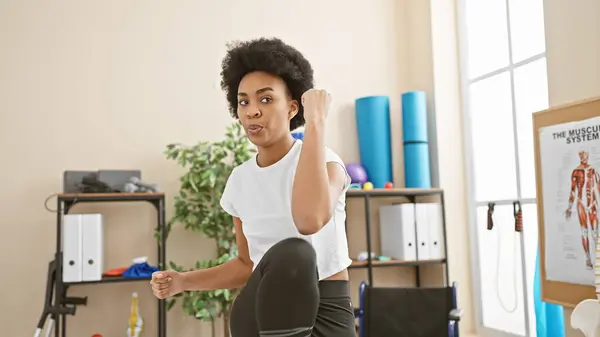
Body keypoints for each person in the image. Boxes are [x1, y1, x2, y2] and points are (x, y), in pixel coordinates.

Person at [150, 37, 355, 337]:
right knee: (292, 255)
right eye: (243, 101)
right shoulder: (240, 181)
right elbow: (247, 264)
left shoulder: (325, 161)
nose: (252, 111)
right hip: (264, 313)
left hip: (329, 309)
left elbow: (309, 220)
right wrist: (183, 281)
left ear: (292, 108)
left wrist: (316, 122)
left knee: (296, 254)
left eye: (266, 99)